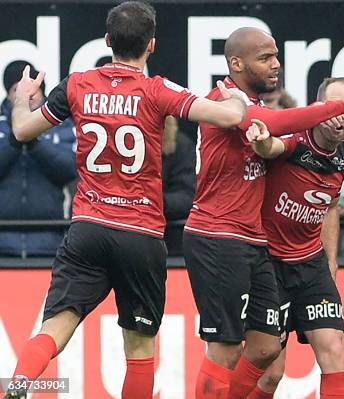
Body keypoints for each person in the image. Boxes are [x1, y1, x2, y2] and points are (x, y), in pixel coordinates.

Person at [4, 2, 250, 398]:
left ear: (106, 41)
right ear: (151, 46)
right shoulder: (157, 89)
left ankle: (17, 385)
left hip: (87, 228)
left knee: (55, 327)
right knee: (139, 349)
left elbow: (21, 130)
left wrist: (23, 99)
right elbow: (228, 117)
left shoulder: (77, 84)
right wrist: (237, 98)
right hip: (140, 234)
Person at [182, 27, 344, 399]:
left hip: (270, 250)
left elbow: (332, 201)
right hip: (222, 236)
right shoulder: (227, 100)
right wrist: (340, 106)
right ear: (236, 62)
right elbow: (274, 138)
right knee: (241, 357)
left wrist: (331, 258)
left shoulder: (341, 148)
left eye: (275, 56)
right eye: (265, 58)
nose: (276, 65)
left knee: (272, 346)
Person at [243, 77, 344, 399]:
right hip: (269, 265)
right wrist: (262, 141)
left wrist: (331, 260)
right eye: (332, 108)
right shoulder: (294, 141)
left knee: (333, 350)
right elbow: (270, 147)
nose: (340, 116)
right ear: (315, 109)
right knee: (272, 374)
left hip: (311, 266)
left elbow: (331, 206)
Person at [0, 61, 76, 257]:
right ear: (9, 95)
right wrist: (16, 140)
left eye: (33, 92)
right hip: (3, 240)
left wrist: (34, 142)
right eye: (19, 90)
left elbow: (70, 169)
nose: (27, 97)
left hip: (49, 239)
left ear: (42, 92)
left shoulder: (62, 124)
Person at [161, 115, 196, 254]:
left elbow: (188, 196)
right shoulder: (123, 140)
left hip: (169, 235)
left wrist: (155, 200)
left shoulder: (181, 145)